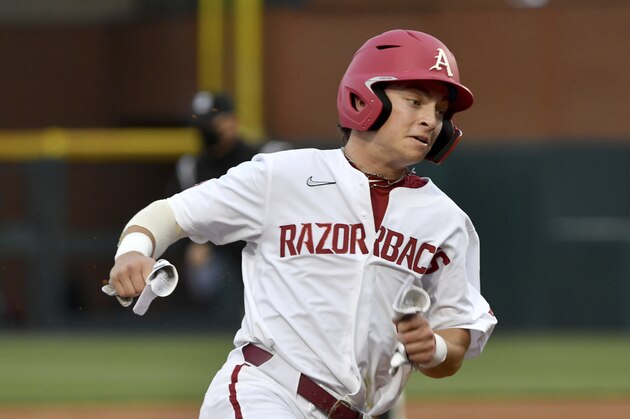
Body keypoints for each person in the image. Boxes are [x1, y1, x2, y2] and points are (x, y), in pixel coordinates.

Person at [107, 29, 497, 418]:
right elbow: (171, 213)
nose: (430, 121)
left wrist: (436, 349)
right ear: (364, 98)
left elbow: (457, 334)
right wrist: (133, 251)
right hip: (267, 390)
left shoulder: (446, 221)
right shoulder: (285, 175)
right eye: (414, 101)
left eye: (440, 112)